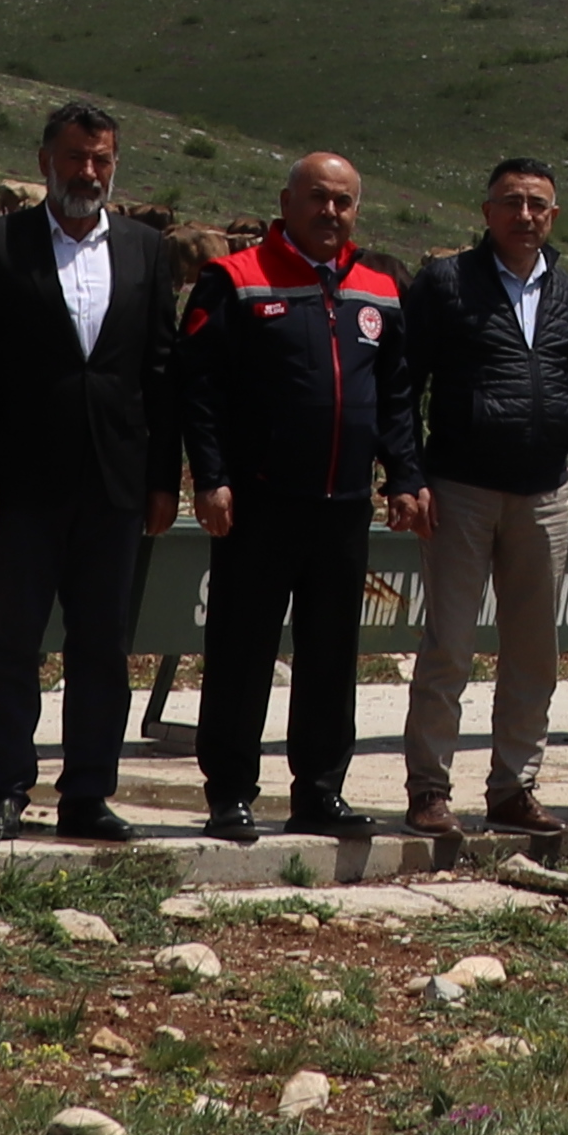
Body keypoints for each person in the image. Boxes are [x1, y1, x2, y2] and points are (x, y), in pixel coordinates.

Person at [0, 100, 185, 842]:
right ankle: (6, 788)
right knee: (13, 641)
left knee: (103, 646)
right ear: (46, 161)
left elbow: (162, 370)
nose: (89, 172)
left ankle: (87, 793)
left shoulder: (148, 250)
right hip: (20, 484)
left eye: (102, 159)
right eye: (76, 157)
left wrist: (163, 480)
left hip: (115, 485)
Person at [177, 147, 415, 846]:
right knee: (242, 650)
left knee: (332, 653)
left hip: (343, 505)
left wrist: (404, 477)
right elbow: (198, 389)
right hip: (258, 502)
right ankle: (230, 793)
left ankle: (319, 790)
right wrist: (210, 475)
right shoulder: (234, 280)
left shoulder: (379, 285)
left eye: (342, 201)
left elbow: (397, 396)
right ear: (287, 204)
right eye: (317, 198)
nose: (330, 212)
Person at [392, 155, 568, 841]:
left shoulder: (567, 294)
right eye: (511, 202)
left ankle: (515, 787)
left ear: (554, 215)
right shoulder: (446, 283)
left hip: (545, 494)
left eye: (538, 204)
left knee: (535, 654)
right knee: (449, 645)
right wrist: (407, 475)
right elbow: (402, 384)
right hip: (461, 491)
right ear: (486, 212)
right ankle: (429, 790)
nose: (525, 216)